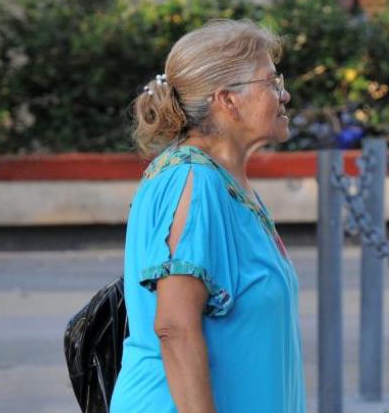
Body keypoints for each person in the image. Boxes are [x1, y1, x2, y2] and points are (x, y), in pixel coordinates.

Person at [110, 20, 306, 412]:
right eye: (270, 82)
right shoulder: (194, 181)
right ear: (227, 100)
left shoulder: (224, 181)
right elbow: (175, 327)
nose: (283, 94)